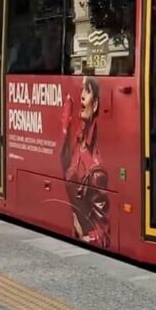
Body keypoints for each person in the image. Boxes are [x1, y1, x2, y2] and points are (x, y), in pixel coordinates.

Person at [60, 76, 110, 248]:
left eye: (87, 91)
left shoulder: (96, 170)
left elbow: (103, 235)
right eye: (81, 90)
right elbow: (64, 162)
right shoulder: (78, 143)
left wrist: (85, 239)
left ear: (95, 104)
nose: (81, 95)